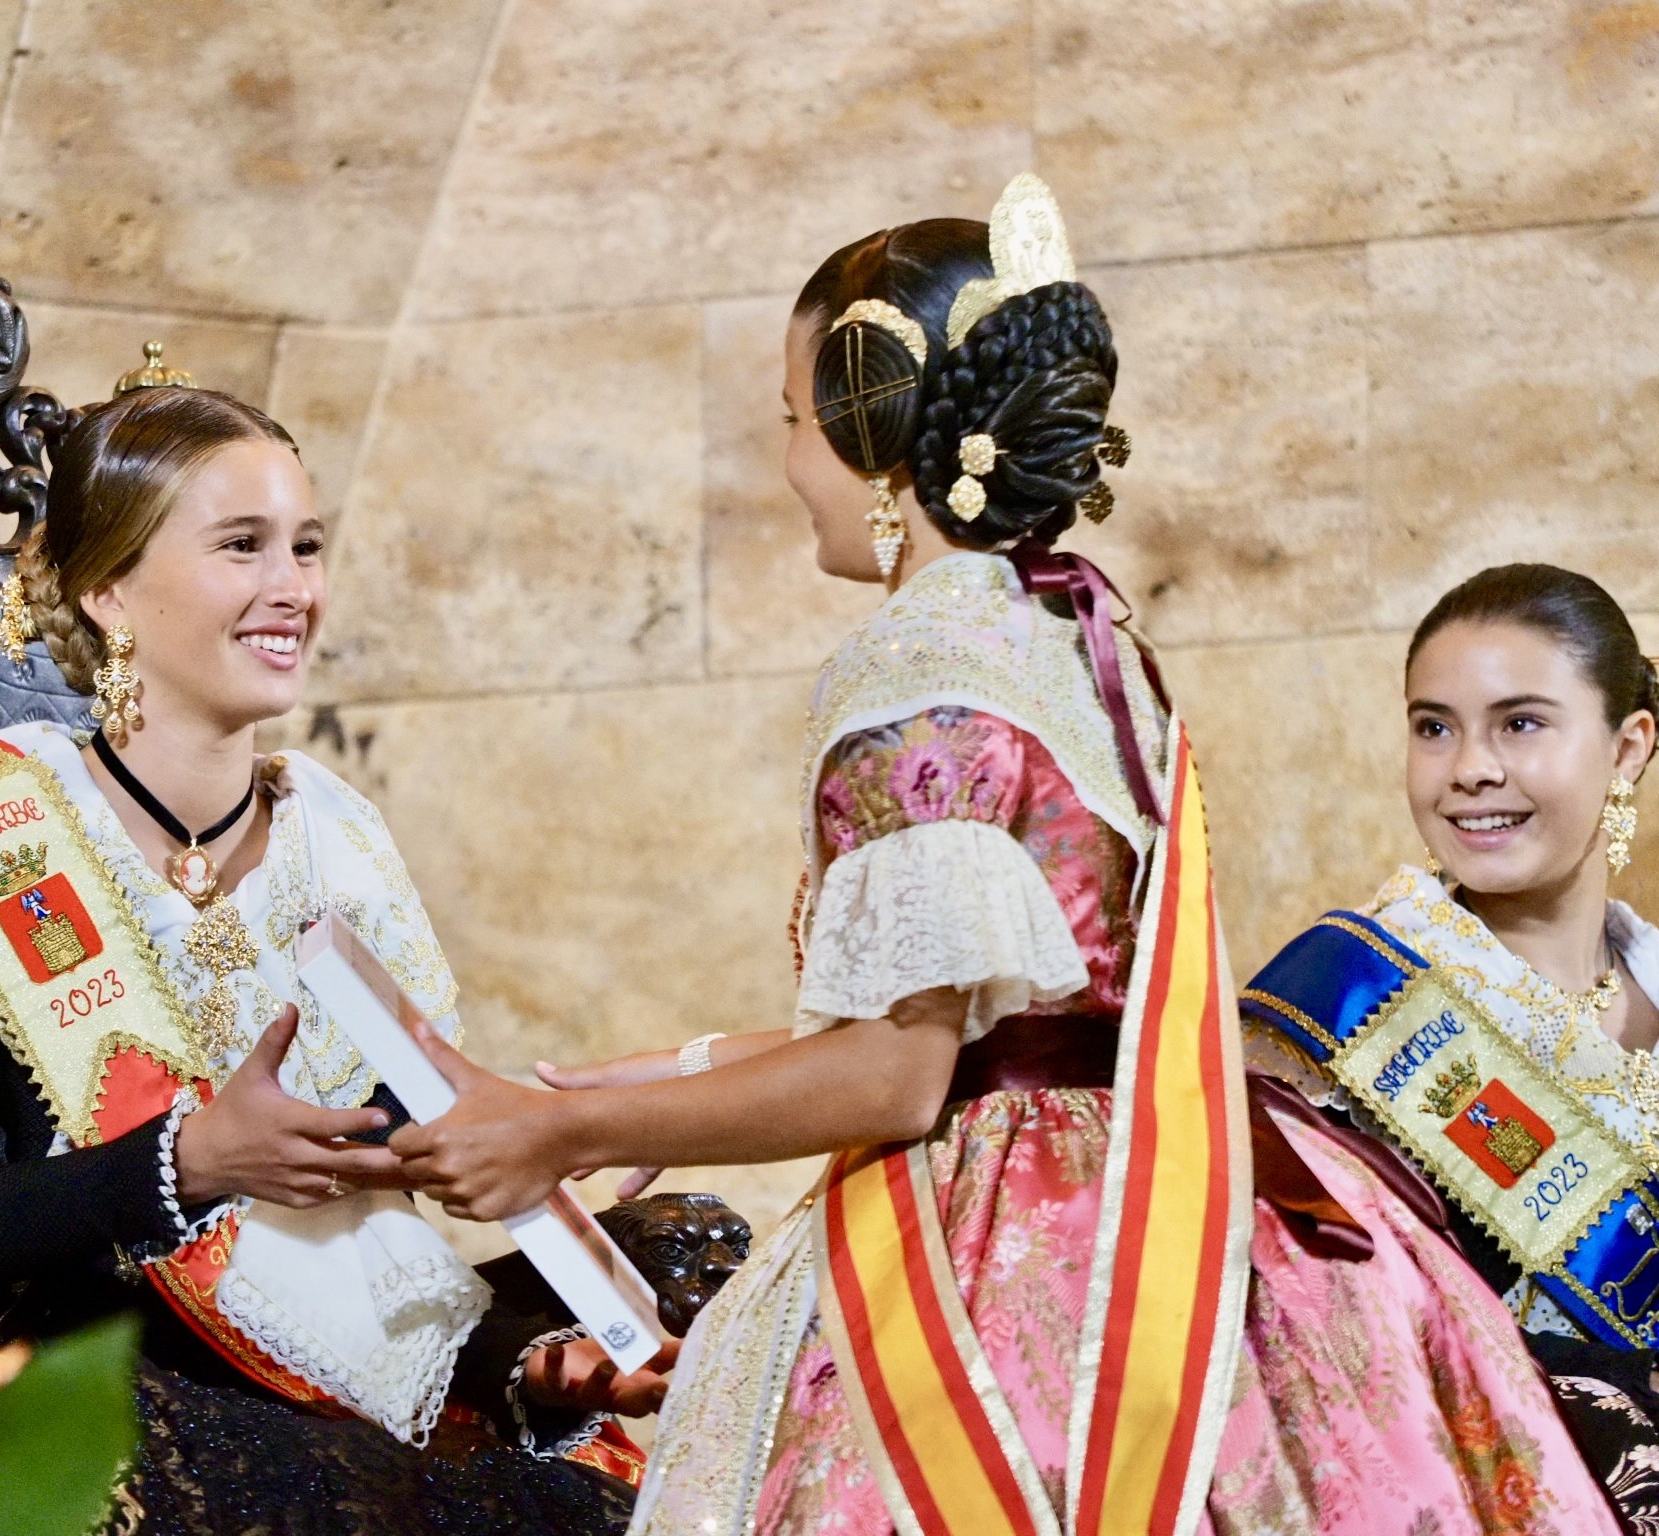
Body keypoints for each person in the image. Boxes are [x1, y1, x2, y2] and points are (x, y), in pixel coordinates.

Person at [386, 178, 1620, 1535]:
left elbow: (904, 1075)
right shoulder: (1077, 637)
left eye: (796, 423)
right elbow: (1019, 1017)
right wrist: (681, 1070)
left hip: (1007, 1244)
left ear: (869, 430)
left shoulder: (914, 661)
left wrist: (566, 1128)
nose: (790, 461)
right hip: (1168, 1199)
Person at [0, 380, 666, 1535]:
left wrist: (533, 1353)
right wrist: (187, 1163)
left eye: (304, 547)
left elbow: (372, 1220)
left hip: (330, 1391)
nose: (292, 588)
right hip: (92, 1398)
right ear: (110, 590)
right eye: (242, 547)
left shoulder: (338, 838)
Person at [1244, 563, 1659, 1531]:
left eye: (1519, 722)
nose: (1467, 767)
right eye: (1433, 728)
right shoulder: (1333, 1009)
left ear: (1626, 747)